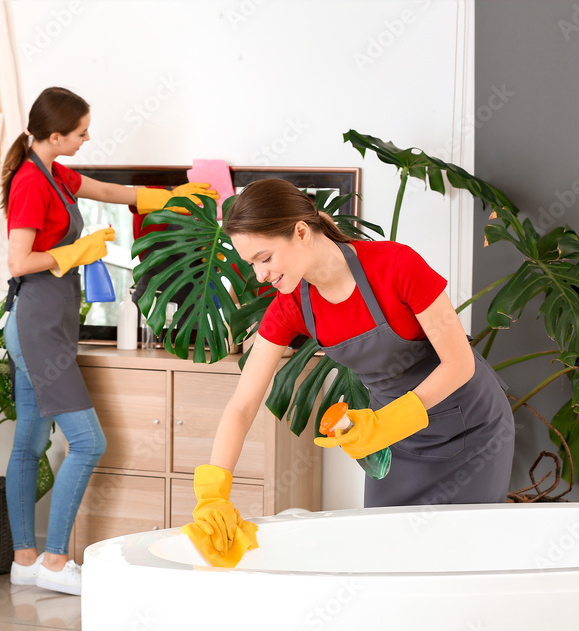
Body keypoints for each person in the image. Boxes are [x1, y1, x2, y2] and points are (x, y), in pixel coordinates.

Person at [183, 178, 515, 566]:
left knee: (461, 560)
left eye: (265, 257)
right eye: (252, 264)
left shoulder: (395, 265)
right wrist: (213, 493)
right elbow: (242, 405)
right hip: (396, 445)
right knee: (385, 560)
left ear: (301, 232)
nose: (260, 275)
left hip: (470, 430)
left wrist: (388, 423)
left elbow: (459, 364)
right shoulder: (292, 305)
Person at [1, 86, 216, 595]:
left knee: (29, 445)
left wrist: (169, 198)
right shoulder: (31, 183)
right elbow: (18, 262)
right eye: (80, 131)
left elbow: (107, 191)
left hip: (42, 328)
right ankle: (54, 562)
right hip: (35, 329)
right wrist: (73, 252)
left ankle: (24, 561)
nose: (87, 136)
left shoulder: (55, 173)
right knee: (89, 442)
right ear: (54, 135)